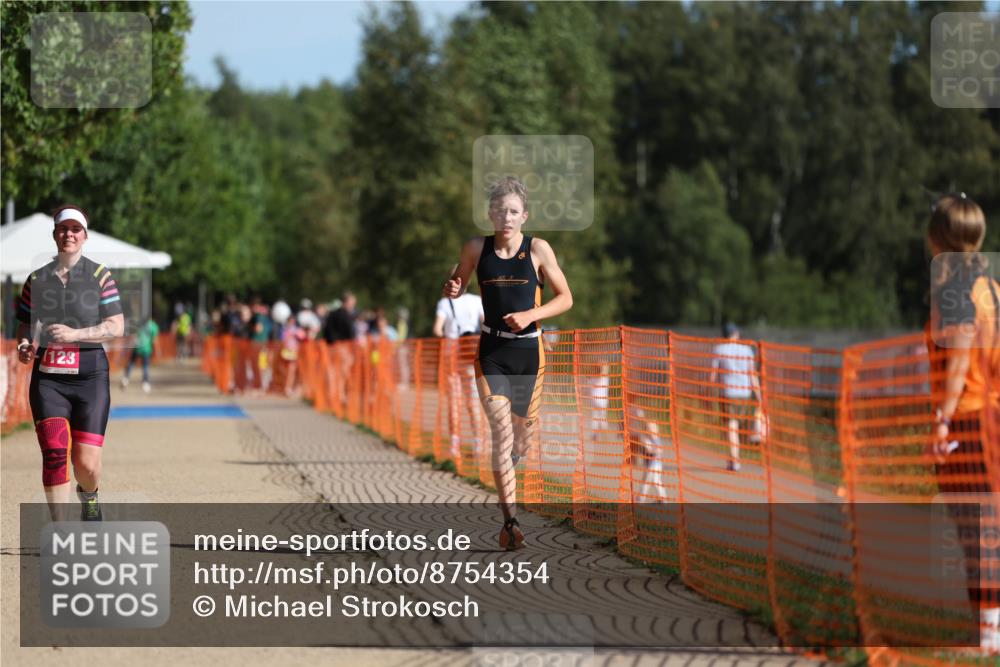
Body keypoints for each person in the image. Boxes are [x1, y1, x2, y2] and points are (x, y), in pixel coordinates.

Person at [443, 176, 573, 550]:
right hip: (492, 352)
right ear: (490, 213)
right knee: (500, 432)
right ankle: (510, 521)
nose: (506, 217)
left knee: (522, 437)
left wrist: (532, 315)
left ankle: (518, 452)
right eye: (500, 210)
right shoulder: (475, 247)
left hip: (530, 351)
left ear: (524, 215)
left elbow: (566, 298)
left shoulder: (538, 250)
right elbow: (458, 283)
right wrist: (451, 286)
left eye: (513, 211)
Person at [15, 205, 125, 521]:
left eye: (76, 229)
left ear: (85, 236)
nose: (69, 234)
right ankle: (60, 530)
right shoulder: (36, 279)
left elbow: (116, 326)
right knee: (53, 454)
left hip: (90, 379)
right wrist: (25, 343)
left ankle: (89, 494)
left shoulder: (100, 275)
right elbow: (24, 323)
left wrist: (75, 333)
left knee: (86, 465)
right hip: (49, 379)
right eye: (64, 229)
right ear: (55, 235)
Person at [925, 192, 999, 653]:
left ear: (939, 238)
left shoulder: (953, 289)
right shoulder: (990, 287)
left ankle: (989, 633)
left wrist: (941, 421)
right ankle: (987, 625)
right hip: (992, 413)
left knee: (975, 526)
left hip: (969, 419)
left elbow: (958, 360)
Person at [434, 287, 485, 459]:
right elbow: (486, 323)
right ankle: (478, 444)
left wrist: (443, 337)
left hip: (451, 356)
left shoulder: (444, 302)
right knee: (472, 401)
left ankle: (455, 446)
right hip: (470, 353)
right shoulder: (476, 300)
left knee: (454, 401)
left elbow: (437, 329)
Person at [709, 322, 761, 472]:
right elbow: (753, 375)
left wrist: (709, 391)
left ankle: (735, 459)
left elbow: (712, 376)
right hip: (744, 393)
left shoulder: (719, 349)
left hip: (727, 393)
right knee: (736, 426)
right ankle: (733, 459)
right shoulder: (747, 350)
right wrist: (759, 395)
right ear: (736, 334)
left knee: (731, 427)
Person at [122, 316, 159, 393]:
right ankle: (145, 382)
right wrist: (157, 351)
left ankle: (126, 379)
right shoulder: (153, 326)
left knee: (131, 363)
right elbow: (154, 340)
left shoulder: (139, 324)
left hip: (138, 347)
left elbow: (133, 336)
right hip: (146, 348)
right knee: (145, 366)